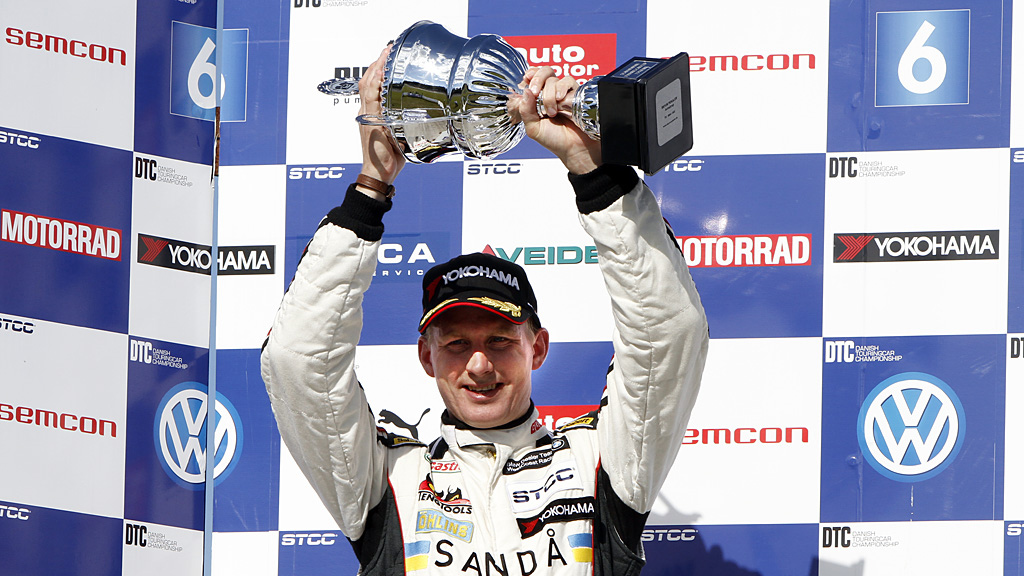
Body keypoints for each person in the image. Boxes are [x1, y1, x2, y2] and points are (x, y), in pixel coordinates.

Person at [261, 45, 709, 576]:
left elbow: (669, 334)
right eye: (456, 344)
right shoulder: (388, 478)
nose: (479, 365)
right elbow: (297, 361)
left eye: (499, 340)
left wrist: (593, 174)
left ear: (536, 348)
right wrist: (370, 189)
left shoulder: (599, 461)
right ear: (426, 357)